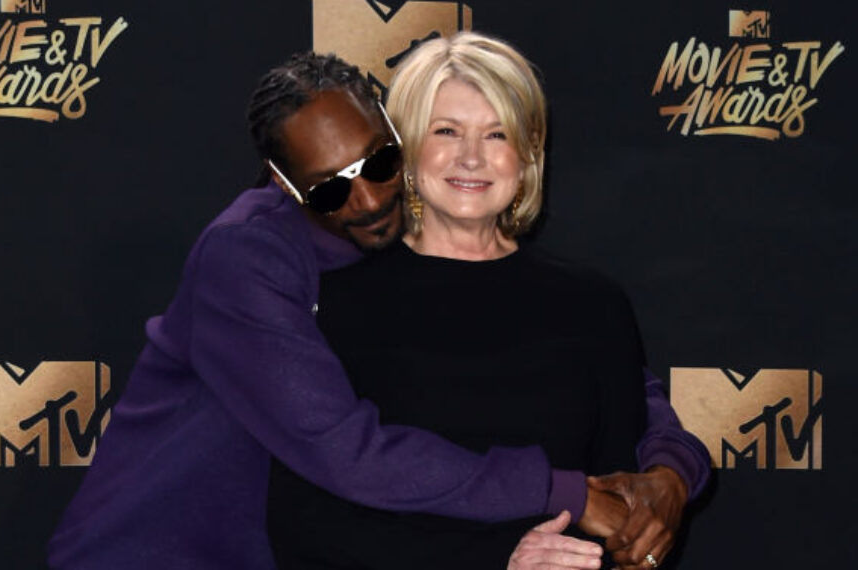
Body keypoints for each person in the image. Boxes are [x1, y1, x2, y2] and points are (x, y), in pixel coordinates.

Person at [47, 51, 708, 570]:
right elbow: (347, 453)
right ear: (285, 185)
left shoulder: (552, 288)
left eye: (381, 162)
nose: (366, 199)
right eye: (331, 189)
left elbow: (621, 380)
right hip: (162, 553)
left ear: (393, 133)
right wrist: (563, 492)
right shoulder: (251, 258)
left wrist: (672, 469)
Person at [266, 33, 701, 570]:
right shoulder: (334, 304)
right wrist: (499, 561)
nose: (472, 157)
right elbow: (303, 524)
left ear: (526, 155)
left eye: (497, 134)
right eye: (446, 131)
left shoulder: (594, 306)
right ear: (402, 148)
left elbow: (622, 511)